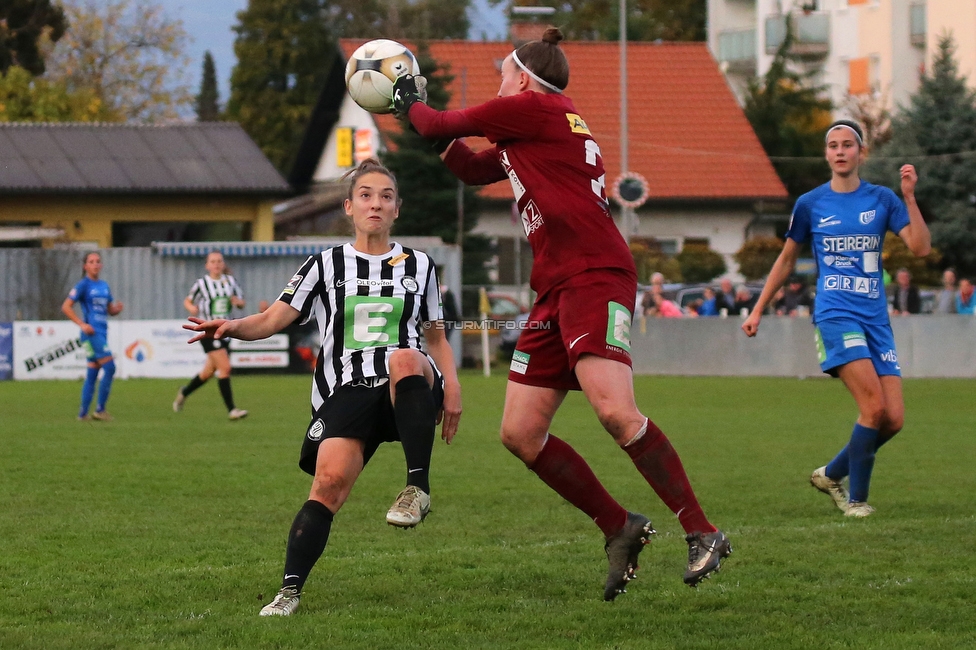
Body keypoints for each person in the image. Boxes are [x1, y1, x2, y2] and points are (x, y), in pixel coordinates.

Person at [393, 27, 730, 598]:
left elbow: (442, 124)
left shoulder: (534, 108)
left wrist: (409, 100)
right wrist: (424, 119)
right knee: (521, 432)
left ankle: (702, 531)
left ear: (522, 78)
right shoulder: (535, 122)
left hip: (594, 275)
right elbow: (473, 169)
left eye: (504, 75)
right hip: (555, 287)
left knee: (616, 413)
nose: (500, 87)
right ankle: (619, 527)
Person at [184, 159, 461, 616]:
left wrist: (453, 390)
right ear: (350, 207)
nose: (377, 203)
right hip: (346, 388)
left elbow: (435, 336)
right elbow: (272, 319)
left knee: (405, 355)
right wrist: (230, 326)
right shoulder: (324, 264)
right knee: (328, 484)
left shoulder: (422, 266)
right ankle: (288, 591)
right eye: (367, 195)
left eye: (386, 196)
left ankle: (417, 489)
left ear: (397, 209)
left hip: (408, 380)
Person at [742, 120, 931, 518]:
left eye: (848, 145)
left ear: (862, 153)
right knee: (873, 408)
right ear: (826, 154)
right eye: (833, 145)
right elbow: (787, 259)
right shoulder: (811, 203)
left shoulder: (882, 198)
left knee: (893, 420)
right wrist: (758, 308)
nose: (840, 151)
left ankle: (831, 473)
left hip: (876, 320)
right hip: (835, 314)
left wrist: (910, 198)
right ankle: (857, 501)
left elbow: (919, 248)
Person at [173, 251, 249, 420]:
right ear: (207, 265)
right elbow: (188, 300)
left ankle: (184, 392)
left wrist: (238, 303)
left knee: (207, 373)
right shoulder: (202, 284)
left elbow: (241, 302)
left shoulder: (230, 282)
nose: (216, 264)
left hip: (226, 332)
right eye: (212, 261)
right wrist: (191, 308)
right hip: (208, 331)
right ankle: (232, 410)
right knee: (225, 368)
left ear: (223, 264)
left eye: (219, 261)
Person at [62, 252, 123, 421]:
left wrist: (116, 310)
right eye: (91, 262)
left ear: (101, 265)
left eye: (98, 261)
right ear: (85, 266)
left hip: (102, 332)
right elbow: (66, 307)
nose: (95, 264)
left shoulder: (104, 286)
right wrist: (82, 324)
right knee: (110, 367)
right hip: (91, 334)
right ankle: (100, 410)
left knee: (93, 372)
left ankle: (82, 414)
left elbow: (109, 310)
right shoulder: (83, 285)